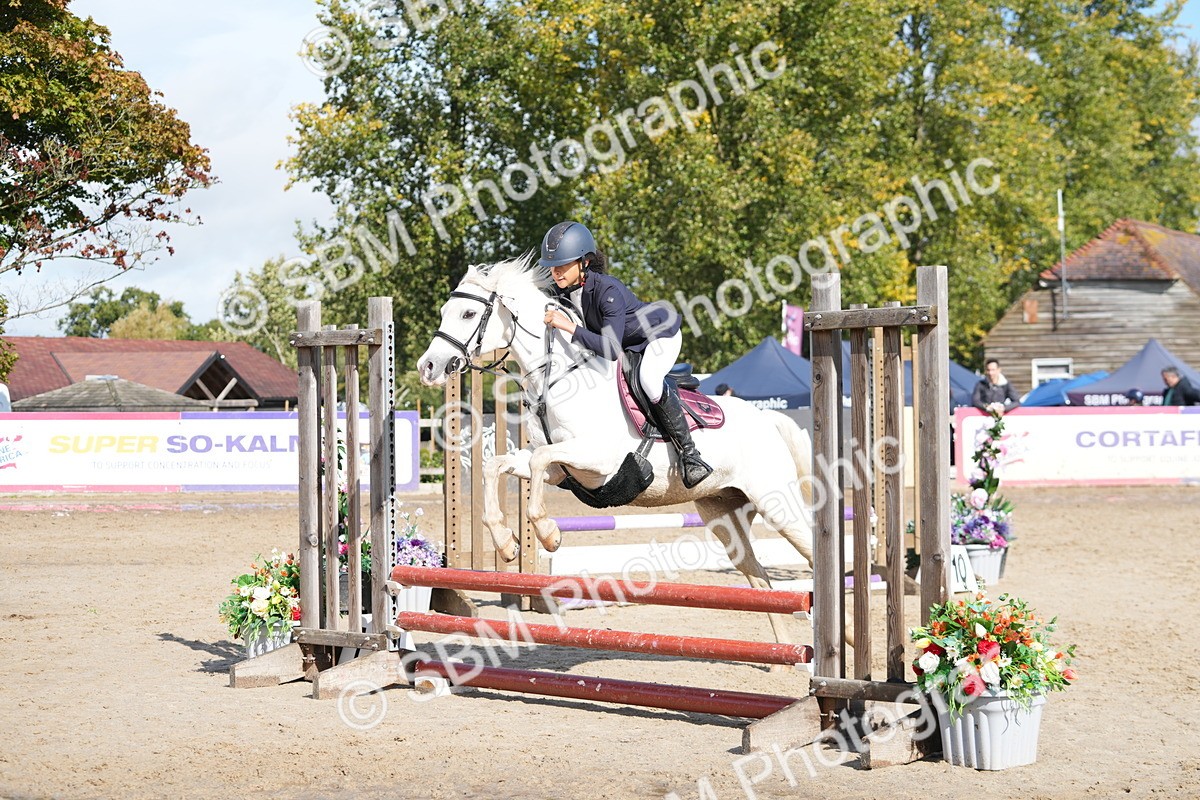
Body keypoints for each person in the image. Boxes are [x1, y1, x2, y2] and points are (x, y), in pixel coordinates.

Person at [540, 221, 713, 488]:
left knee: (649, 381)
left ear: (584, 263)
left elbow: (610, 349)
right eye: (553, 265)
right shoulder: (561, 291)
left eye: (563, 264)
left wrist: (568, 326)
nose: (556, 271)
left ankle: (691, 455)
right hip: (629, 343)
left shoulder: (607, 289)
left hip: (659, 335)